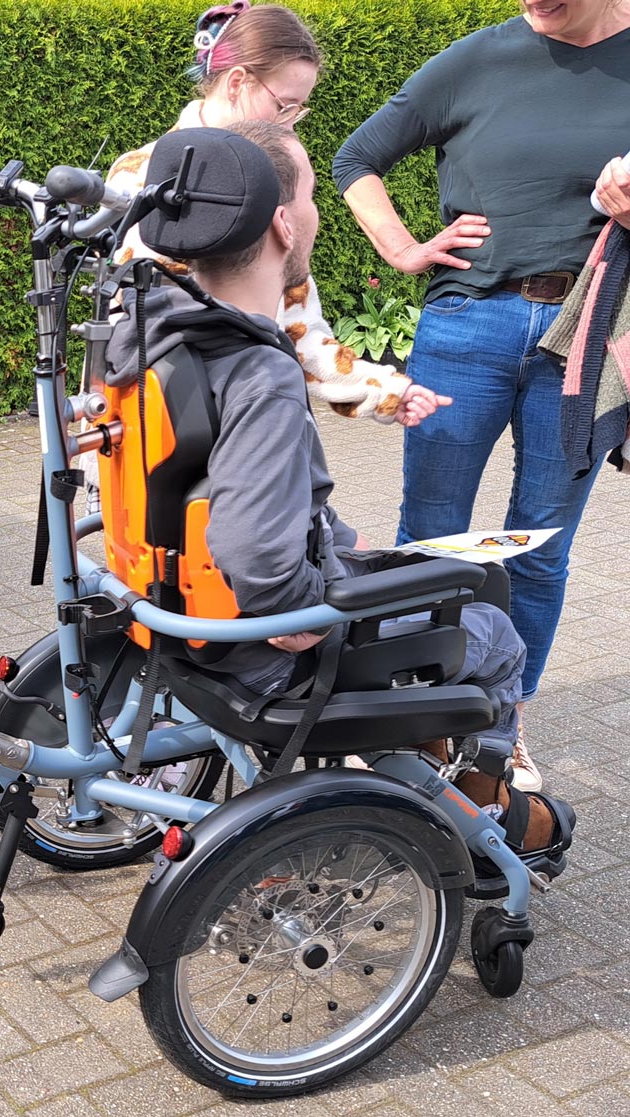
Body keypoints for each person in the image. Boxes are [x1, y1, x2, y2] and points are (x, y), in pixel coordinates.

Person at [108, 121, 572, 859]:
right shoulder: (258, 373)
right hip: (265, 650)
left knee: (462, 576)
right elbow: (255, 555)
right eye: (315, 195)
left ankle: (423, 762)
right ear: (283, 223)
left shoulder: (151, 330)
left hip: (174, 616)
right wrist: (306, 610)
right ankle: (496, 826)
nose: (318, 211)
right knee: (492, 626)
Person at [333, 0, 630, 793]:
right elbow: (355, 158)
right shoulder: (476, 59)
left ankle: (503, 726)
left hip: (588, 336)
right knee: (431, 535)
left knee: (542, 547)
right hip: (468, 325)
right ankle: (413, 710)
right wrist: (404, 248)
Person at [100, 2, 450, 427]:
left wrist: (388, 391)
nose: (289, 126)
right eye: (284, 105)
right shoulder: (143, 175)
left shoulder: (270, 175)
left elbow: (298, 326)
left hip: (250, 414)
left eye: (298, 110)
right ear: (236, 83)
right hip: (153, 425)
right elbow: (135, 321)